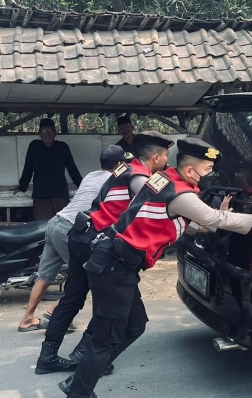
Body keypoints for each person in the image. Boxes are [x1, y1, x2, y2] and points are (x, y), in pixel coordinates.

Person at [52, 137, 252, 398]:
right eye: (208, 168)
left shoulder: (164, 180)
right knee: (106, 338)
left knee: (134, 325)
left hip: (117, 264)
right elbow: (211, 218)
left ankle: (78, 382)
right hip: (113, 268)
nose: (211, 173)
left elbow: (192, 222)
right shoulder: (181, 194)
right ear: (192, 171)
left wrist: (217, 216)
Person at [34, 131, 173, 376]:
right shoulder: (139, 175)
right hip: (95, 241)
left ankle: (48, 356)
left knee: (73, 297)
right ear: (157, 157)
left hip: (80, 233)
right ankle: (83, 358)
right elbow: (156, 200)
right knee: (110, 301)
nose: (166, 161)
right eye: (165, 156)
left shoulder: (122, 169)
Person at [17, 145, 134, 332]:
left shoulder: (91, 175)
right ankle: (52, 311)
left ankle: (27, 319)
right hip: (71, 229)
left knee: (45, 275)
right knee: (84, 276)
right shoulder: (115, 181)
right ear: (120, 164)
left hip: (56, 222)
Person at [12, 118, 84, 220]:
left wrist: (82, 185)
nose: (47, 134)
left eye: (50, 130)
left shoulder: (62, 147)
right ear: (39, 133)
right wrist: (22, 186)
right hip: (41, 195)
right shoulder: (34, 146)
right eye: (44, 130)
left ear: (55, 133)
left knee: (63, 224)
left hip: (60, 194)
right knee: (43, 227)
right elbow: (28, 167)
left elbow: (72, 169)